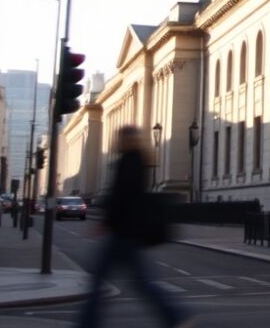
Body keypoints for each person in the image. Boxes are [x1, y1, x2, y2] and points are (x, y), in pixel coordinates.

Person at [77, 125, 194, 328]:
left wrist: (107, 222)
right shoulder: (138, 160)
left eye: (120, 138)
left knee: (102, 281)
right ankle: (176, 317)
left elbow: (122, 196)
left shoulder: (129, 161)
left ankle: (88, 323)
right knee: (141, 283)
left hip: (123, 232)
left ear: (126, 140)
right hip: (128, 232)